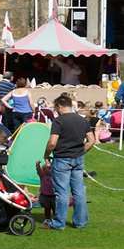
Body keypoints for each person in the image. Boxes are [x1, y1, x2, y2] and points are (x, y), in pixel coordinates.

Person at [44, 93, 94, 230]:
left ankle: (59, 222)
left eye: (56, 108)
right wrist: (81, 151)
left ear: (60, 106)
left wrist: (46, 154)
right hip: (78, 159)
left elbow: (52, 142)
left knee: (62, 192)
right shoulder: (83, 120)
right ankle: (81, 222)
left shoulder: (58, 121)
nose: (56, 111)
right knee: (79, 192)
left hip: (62, 159)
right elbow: (92, 141)